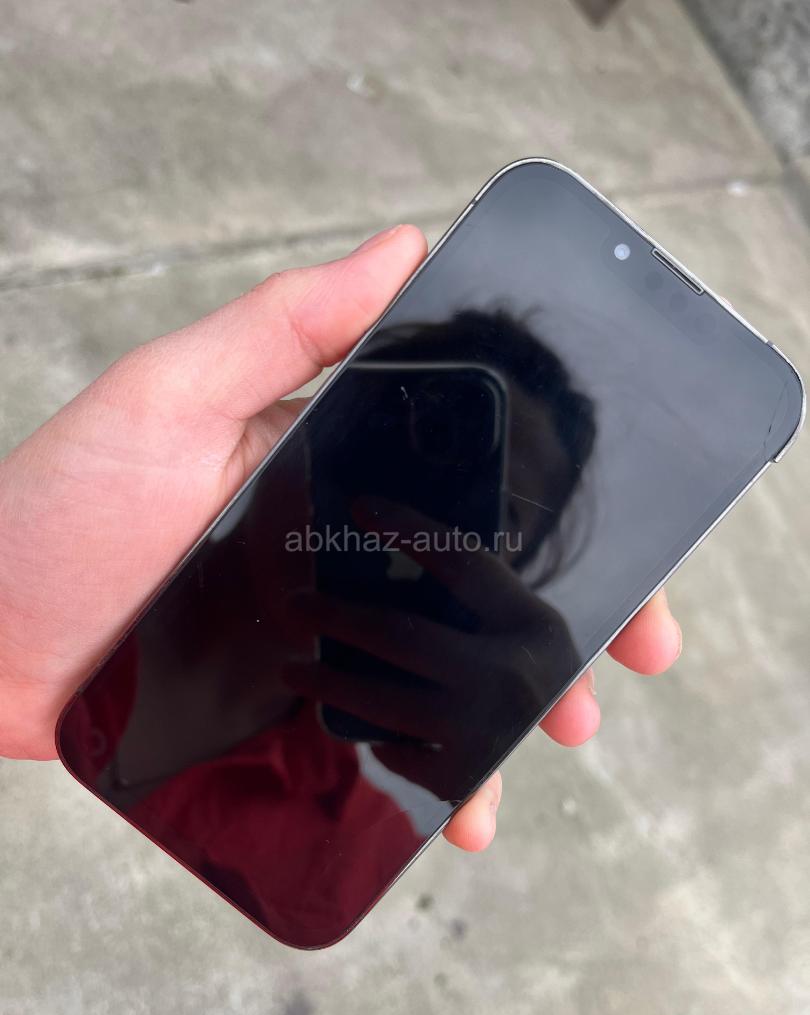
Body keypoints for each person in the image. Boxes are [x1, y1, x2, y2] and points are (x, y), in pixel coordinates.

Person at [0, 224, 682, 855]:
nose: (409, 509)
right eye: (403, 440)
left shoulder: (343, 854)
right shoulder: (338, 857)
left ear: (503, 578)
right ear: (314, 429)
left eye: (488, 513)